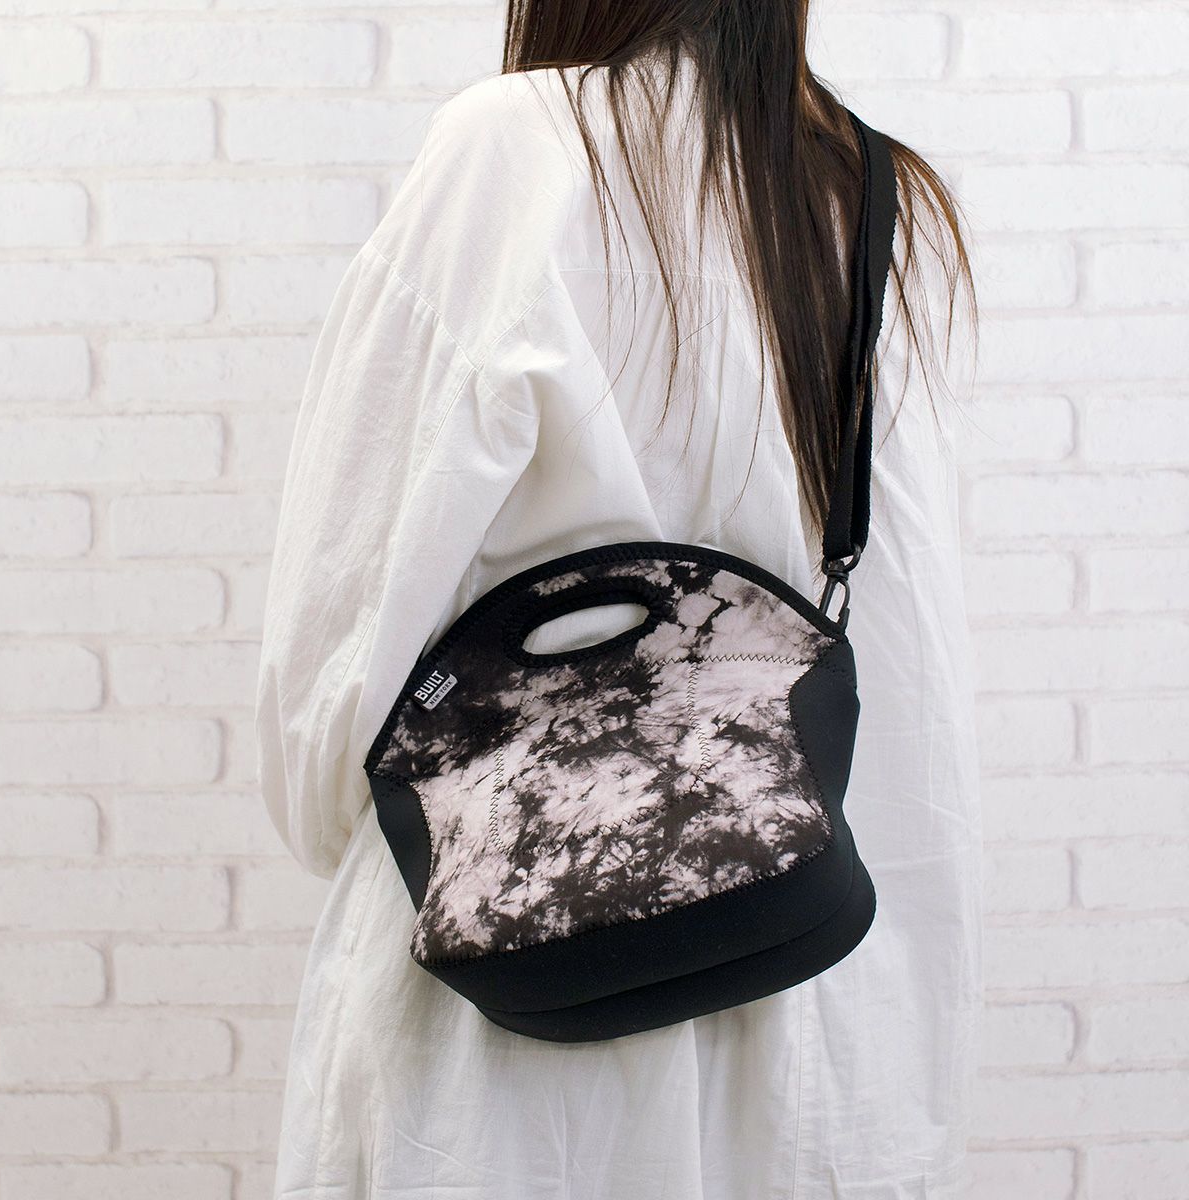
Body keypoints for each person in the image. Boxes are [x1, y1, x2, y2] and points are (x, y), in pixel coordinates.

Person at [255, 6, 983, 1197]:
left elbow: (336, 690)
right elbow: (912, 672)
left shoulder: (516, 150)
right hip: (811, 1026)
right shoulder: (878, 198)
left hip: (515, 1050)